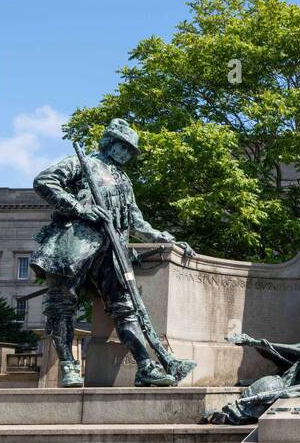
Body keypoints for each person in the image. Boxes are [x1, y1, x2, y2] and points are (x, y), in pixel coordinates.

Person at [30, 118, 196, 387]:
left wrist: (163, 237)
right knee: (61, 306)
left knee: (126, 309)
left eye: (130, 150)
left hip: (112, 248)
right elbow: (44, 181)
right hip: (74, 243)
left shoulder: (123, 179)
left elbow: (134, 220)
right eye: (123, 146)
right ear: (109, 142)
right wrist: (80, 208)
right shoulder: (82, 163)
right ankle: (69, 367)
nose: (126, 153)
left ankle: (145, 366)